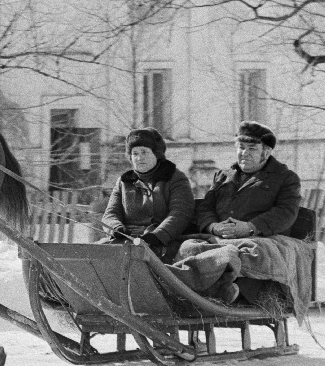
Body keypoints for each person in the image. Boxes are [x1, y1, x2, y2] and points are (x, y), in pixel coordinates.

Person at [194, 120, 302, 302]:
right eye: (241, 147)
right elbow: (205, 207)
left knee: (251, 252)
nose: (244, 153)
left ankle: (227, 291)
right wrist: (213, 227)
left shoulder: (284, 178)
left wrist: (250, 227)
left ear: (266, 152)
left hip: (259, 238)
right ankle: (203, 290)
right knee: (189, 247)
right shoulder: (223, 176)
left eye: (251, 149)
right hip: (218, 238)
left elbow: (286, 212)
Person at [101, 128, 195, 262]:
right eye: (135, 153)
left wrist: (157, 236)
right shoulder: (124, 182)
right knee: (92, 255)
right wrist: (116, 229)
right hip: (128, 240)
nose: (139, 158)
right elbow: (110, 214)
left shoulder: (174, 178)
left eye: (144, 152)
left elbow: (180, 213)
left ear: (156, 154)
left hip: (163, 242)